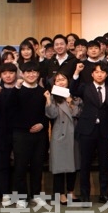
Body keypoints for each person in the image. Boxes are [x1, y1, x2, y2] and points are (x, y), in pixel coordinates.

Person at [71, 61, 108, 204]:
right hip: (87, 130)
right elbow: (73, 90)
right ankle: (85, 195)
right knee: (85, 164)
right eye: (97, 72)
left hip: (104, 131)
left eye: (102, 72)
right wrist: (76, 73)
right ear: (92, 74)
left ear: (106, 75)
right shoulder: (85, 87)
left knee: (104, 164)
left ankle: (104, 194)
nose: (99, 75)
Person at [10, 61, 49, 208]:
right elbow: (9, 110)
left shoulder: (43, 91)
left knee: (37, 166)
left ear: (38, 74)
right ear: (22, 74)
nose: (31, 75)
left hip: (40, 134)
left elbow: (47, 113)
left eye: (34, 72)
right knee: (20, 166)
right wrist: (16, 88)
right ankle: (21, 197)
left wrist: (42, 124)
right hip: (21, 134)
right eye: (28, 72)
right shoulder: (17, 90)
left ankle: (36, 195)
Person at [45, 72, 81, 205]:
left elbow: (78, 113)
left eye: (63, 79)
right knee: (59, 166)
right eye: (58, 80)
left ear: (68, 81)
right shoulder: (53, 98)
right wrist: (48, 100)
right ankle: (60, 193)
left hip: (73, 135)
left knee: (73, 164)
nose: (61, 82)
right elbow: (51, 114)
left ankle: (71, 191)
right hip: (59, 135)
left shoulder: (75, 98)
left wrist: (70, 103)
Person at [0, 62, 18, 207]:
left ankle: (18, 193)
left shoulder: (21, 88)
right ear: (1, 75)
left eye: (11, 73)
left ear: (16, 74)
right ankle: (5, 194)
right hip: (2, 133)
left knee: (20, 165)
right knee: (3, 165)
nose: (8, 76)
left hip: (19, 132)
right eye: (4, 73)